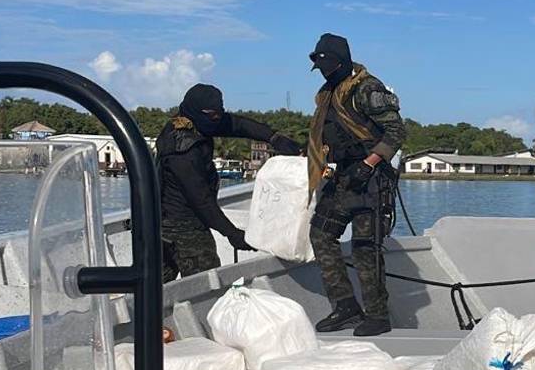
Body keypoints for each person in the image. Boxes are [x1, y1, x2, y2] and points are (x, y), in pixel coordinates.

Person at [306, 33, 406, 336]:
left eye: (329, 65)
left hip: (371, 177)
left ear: (342, 62)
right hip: (343, 176)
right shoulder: (327, 93)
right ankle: (345, 305)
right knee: (321, 234)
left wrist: (369, 164)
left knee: (365, 248)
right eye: (321, 67)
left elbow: (396, 132)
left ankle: (377, 315)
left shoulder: (367, 89)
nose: (325, 72)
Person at [157, 84, 301, 282]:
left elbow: (237, 124)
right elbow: (201, 200)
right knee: (206, 286)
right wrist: (231, 233)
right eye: (212, 115)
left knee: (159, 289)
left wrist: (274, 137)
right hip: (183, 226)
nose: (217, 120)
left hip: (168, 221)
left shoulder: (198, 122)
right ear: (196, 111)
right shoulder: (182, 150)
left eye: (219, 114)